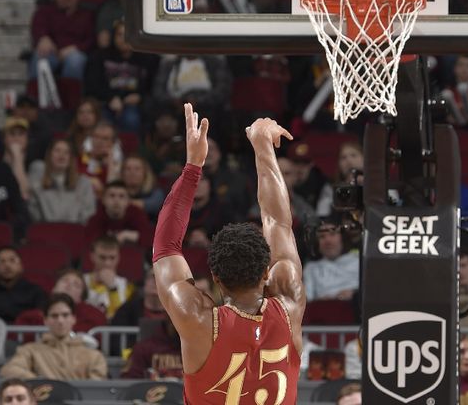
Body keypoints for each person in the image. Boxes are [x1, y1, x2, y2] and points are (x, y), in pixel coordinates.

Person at [152, 105, 305, 403]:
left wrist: (193, 166)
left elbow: (165, 246)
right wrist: (262, 146)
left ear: (215, 276)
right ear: (266, 272)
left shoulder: (195, 318)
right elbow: (278, 222)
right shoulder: (289, 303)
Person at [0, 293, 107, 380]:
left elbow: (96, 389)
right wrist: (40, 383)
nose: (60, 321)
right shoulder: (30, 350)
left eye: (65, 315)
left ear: (73, 319)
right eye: (54, 316)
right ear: (45, 320)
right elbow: (8, 370)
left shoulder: (93, 355)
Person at [83, 20, 159, 133]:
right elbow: (91, 85)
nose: (124, 39)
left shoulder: (148, 59)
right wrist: (110, 98)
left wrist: (140, 96)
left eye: (129, 35)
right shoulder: (99, 56)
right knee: (102, 120)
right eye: (120, 35)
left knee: (131, 119)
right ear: (113, 36)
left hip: (134, 104)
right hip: (105, 101)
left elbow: (152, 86)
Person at [29, 0, 95, 82]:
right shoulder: (44, 11)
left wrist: (76, 48)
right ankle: (36, 99)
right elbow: (37, 28)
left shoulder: (87, 15)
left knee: (75, 60)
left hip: (75, 53)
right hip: (51, 53)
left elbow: (92, 39)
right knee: (40, 59)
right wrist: (43, 38)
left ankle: (70, 99)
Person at [14, 268, 106, 332]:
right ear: (53, 288)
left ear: (81, 296)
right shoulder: (32, 315)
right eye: (65, 281)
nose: (69, 285)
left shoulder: (93, 314)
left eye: (76, 285)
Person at [28, 138, 96, 223]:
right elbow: (33, 213)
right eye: (57, 151)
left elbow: (88, 213)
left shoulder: (83, 183)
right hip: (45, 233)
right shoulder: (37, 184)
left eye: (66, 152)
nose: (62, 155)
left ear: (71, 158)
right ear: (49, 155)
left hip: (75, 233)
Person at [303, 215, 360, 302]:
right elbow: (307, 301)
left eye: (332, 234)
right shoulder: (311, 268)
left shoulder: (359, 261)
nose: (328, 240)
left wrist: (354, 294)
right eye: (322, 236)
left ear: (343, 238)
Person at [0, 246, 46, 323]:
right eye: (2, 261)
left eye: (12, 260)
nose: (7, 265)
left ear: (21, 266)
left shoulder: (35, 291)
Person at [84, 180, 154, 249]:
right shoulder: (97, 217)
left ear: (128, 201)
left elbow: (151, 239)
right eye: (112, 195)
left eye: (121, 196)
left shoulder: (137, 214)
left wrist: (126, 235)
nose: (116, 200)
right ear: (103, 200)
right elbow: (89, 243)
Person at [83, 237, 134, 319]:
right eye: (102, 257)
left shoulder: (127, 285)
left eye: (112, 258)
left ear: (118, 258)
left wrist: (112, 288)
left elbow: (123, 316)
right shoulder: (81, 281)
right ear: (92, 256)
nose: (107, 263)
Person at [120, 314, 183, 379]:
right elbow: (128, 379)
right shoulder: (143, 349)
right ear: (168, 321)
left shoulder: (193, 351)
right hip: (152, 388)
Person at [77, 120, 122, 198]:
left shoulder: (118, 166)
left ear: (113, 143)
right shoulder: (78, 160)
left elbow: (114, 194)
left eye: (105, 139)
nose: (99, 142)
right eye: (96, 137)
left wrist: (111, 164)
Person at [0, 117, 31, 200]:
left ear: (27, 139)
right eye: (12, 134)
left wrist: (17, 157)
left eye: (21, 134)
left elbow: (24, 194)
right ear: (4, 139)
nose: (16, 138)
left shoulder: (35, 165)